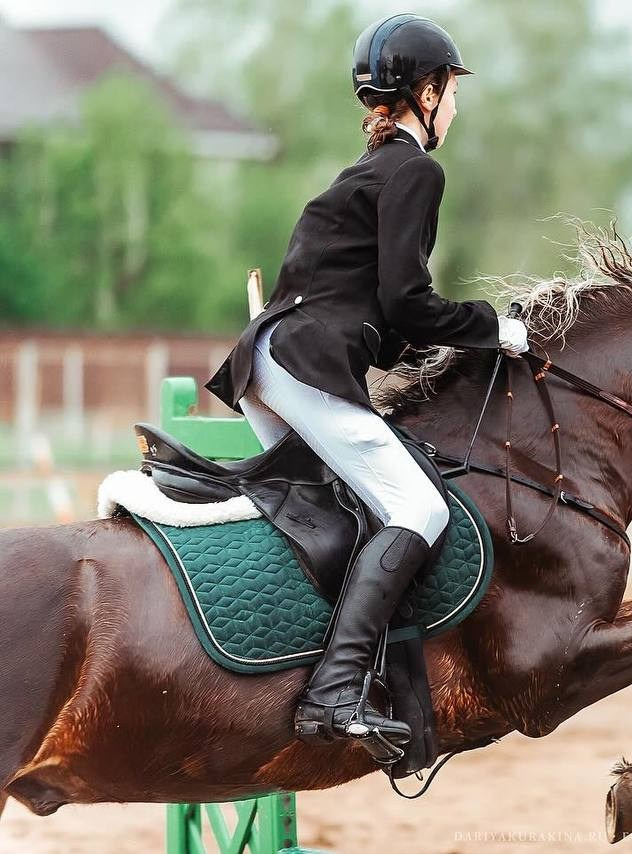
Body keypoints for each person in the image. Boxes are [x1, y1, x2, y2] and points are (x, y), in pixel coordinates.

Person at [203, 13, 529, 751]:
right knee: (419, 508)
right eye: (450, 90)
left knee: (337, 511)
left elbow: (384, 314)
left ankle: (303, 668)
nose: (455, 105)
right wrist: (494, 329)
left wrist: (428, 350)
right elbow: (408, 300)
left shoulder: (369, 170)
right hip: (304, 366)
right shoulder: (415, 169)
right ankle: (334, 692)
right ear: (427, 91)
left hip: (273, 363)